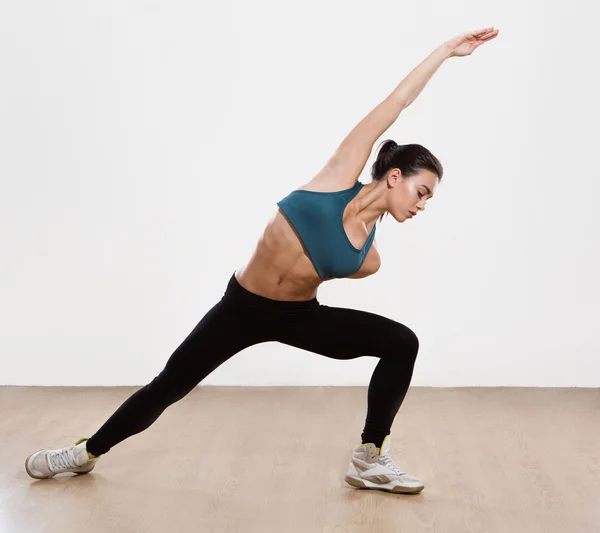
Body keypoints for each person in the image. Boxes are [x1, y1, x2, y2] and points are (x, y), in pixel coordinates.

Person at [25, 27, 499, 494]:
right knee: (168, 384)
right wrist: (445, 52)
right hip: (240, 307)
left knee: (401, 342)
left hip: (296, 317)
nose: (421, 205)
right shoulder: (338, 176)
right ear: (394, 176)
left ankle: (370, 457)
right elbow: (396, 102)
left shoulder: (367, 257)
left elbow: (328, 268)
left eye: (428, 200)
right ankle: (84, 453)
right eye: (421, 192)